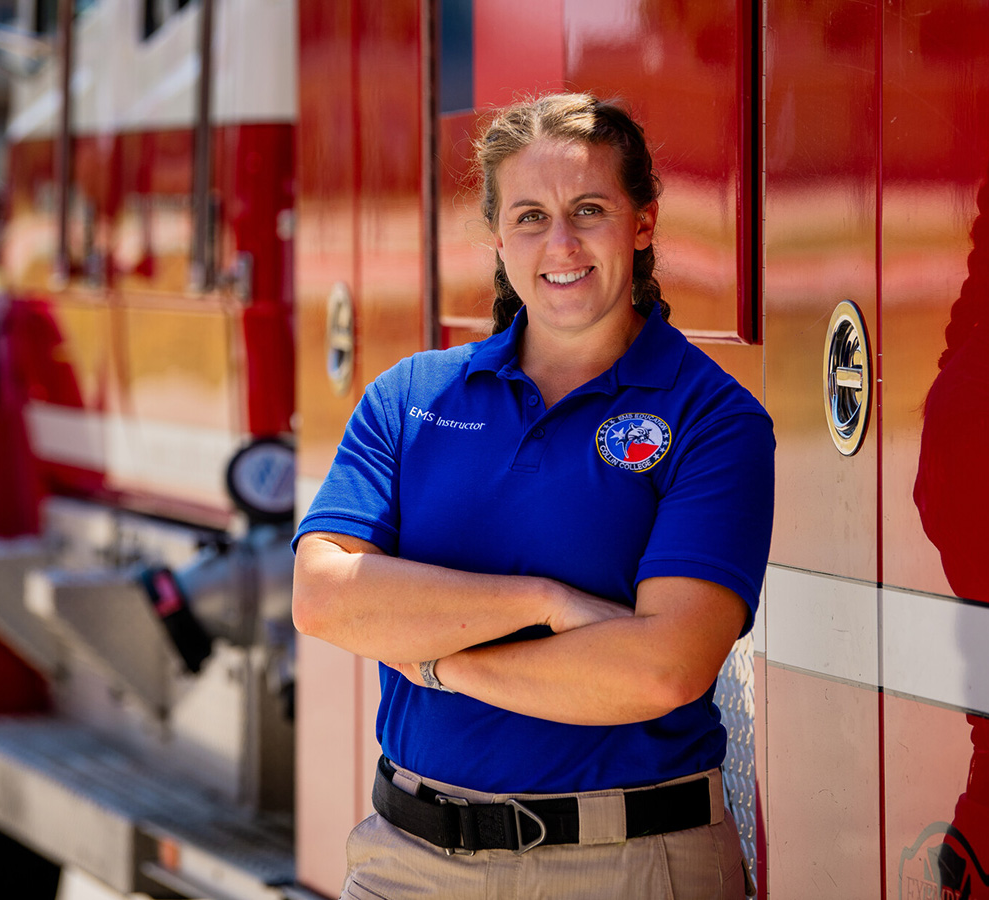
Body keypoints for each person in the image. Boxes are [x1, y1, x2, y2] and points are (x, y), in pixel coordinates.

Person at [292, 92, 774, 899]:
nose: (561, 244)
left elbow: (661, 671)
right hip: (406, 864)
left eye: (589, 209)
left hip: (629, 863)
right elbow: (324, 597)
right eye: (529, 216)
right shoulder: (410, 396)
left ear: (643, 222)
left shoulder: (713, 418)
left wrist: (435, 657)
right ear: (496, 235)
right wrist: (545, 601)